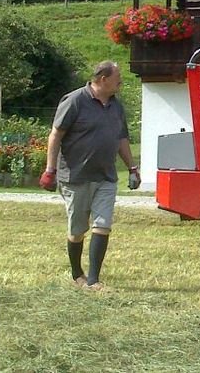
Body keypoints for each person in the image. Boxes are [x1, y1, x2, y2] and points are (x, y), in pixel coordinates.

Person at [39, 60, 140, 291]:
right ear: (103, 79)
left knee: (102, 224)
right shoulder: (74, 101)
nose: (121, 82)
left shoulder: (117, 106)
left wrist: (132, 167)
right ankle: (77, 273)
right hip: (76, 177)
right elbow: (55, 135)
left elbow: (121, 139)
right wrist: (49, 169)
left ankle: (94, 279)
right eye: (118, 78)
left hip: (105, 176)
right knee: (77, 230)